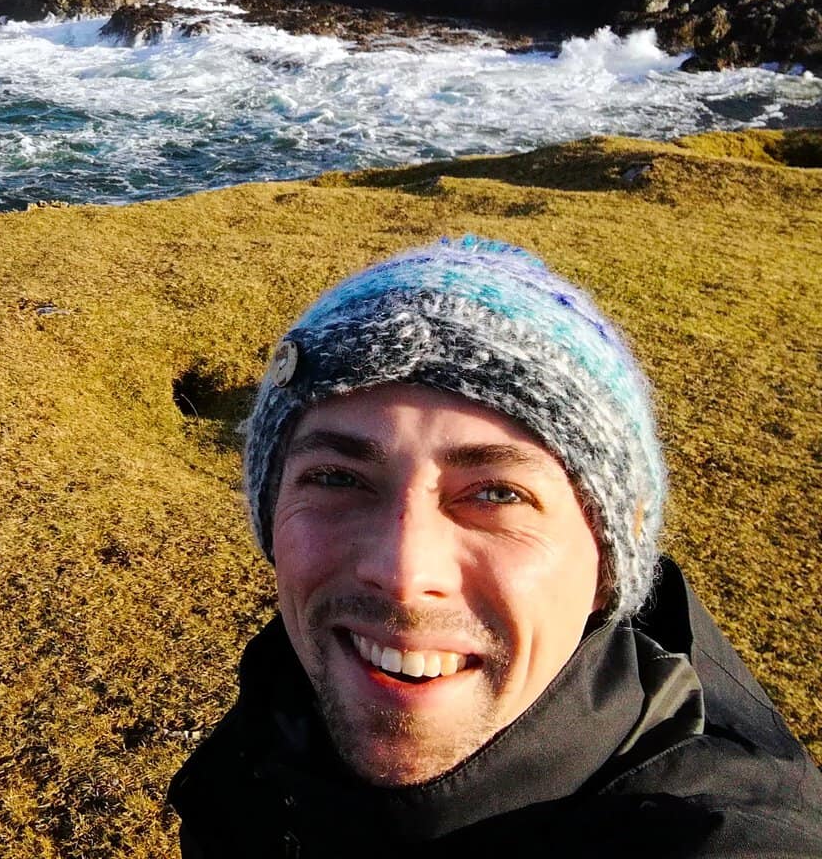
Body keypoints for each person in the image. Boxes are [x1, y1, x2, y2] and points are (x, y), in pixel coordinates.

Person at [168, 237, 822, 857]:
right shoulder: (263, 741)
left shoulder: (719, 835)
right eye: (337, 478)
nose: (402, 571)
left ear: (606, 565)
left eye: (498, 495)